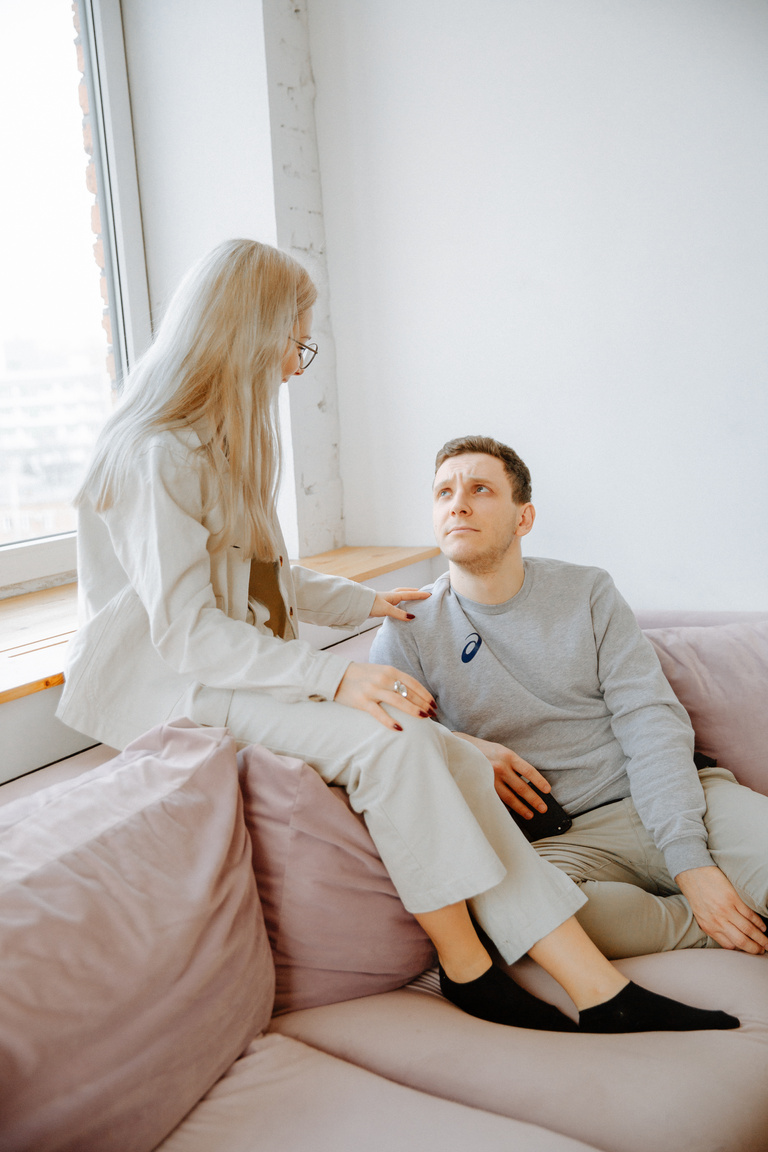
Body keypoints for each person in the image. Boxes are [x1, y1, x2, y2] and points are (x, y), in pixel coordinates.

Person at [58, 241, 738, 1035]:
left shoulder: (217, 452)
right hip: (179, 686)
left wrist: (365, 601)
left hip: (224, 666)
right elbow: (186, 633)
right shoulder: (155, 455)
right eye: (296, 340)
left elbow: (256, 580)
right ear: (248, 332)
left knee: (443, 752)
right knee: (394, 744)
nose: (296, 365)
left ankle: (592, 987)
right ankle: (471, 968)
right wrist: (339, 680)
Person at [370, 434, 768, 963]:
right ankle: (726, 921)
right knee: (522, 918)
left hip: (675, 800)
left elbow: (650, 719)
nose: (457, 503)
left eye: (480, 488)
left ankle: (720, 896)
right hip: (562, 841)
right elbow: (384, 738)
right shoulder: (407, 626)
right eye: (443, 492)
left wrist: (689, 860)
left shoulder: (587, 591)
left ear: (523, 518)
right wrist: (461, 747)